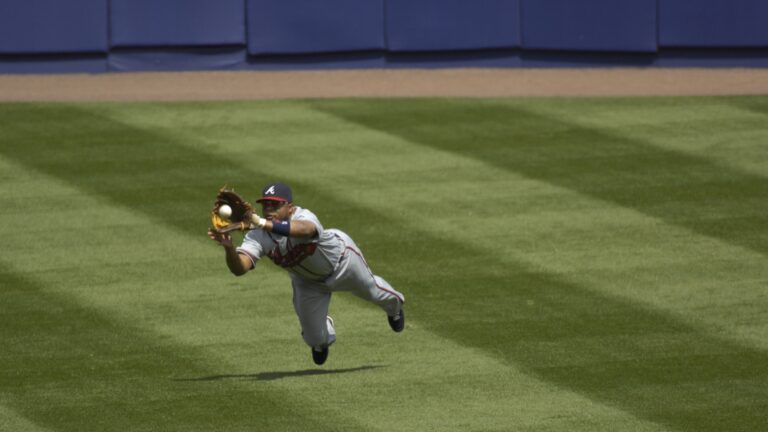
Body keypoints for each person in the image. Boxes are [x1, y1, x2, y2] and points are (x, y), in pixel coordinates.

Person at [207, 181, 405, 365]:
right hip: (307, 282)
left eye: (275, 205)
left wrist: (261, 222)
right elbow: (239, 269)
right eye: (266, 205)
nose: (269, 209)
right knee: (315, 339)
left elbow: (305, 230)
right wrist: (229, 248)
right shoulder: (258, 236)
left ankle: (394, 309)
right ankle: (322, 328)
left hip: (343, 263)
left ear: (290, 208)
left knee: (374, 291)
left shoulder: (303, 216)